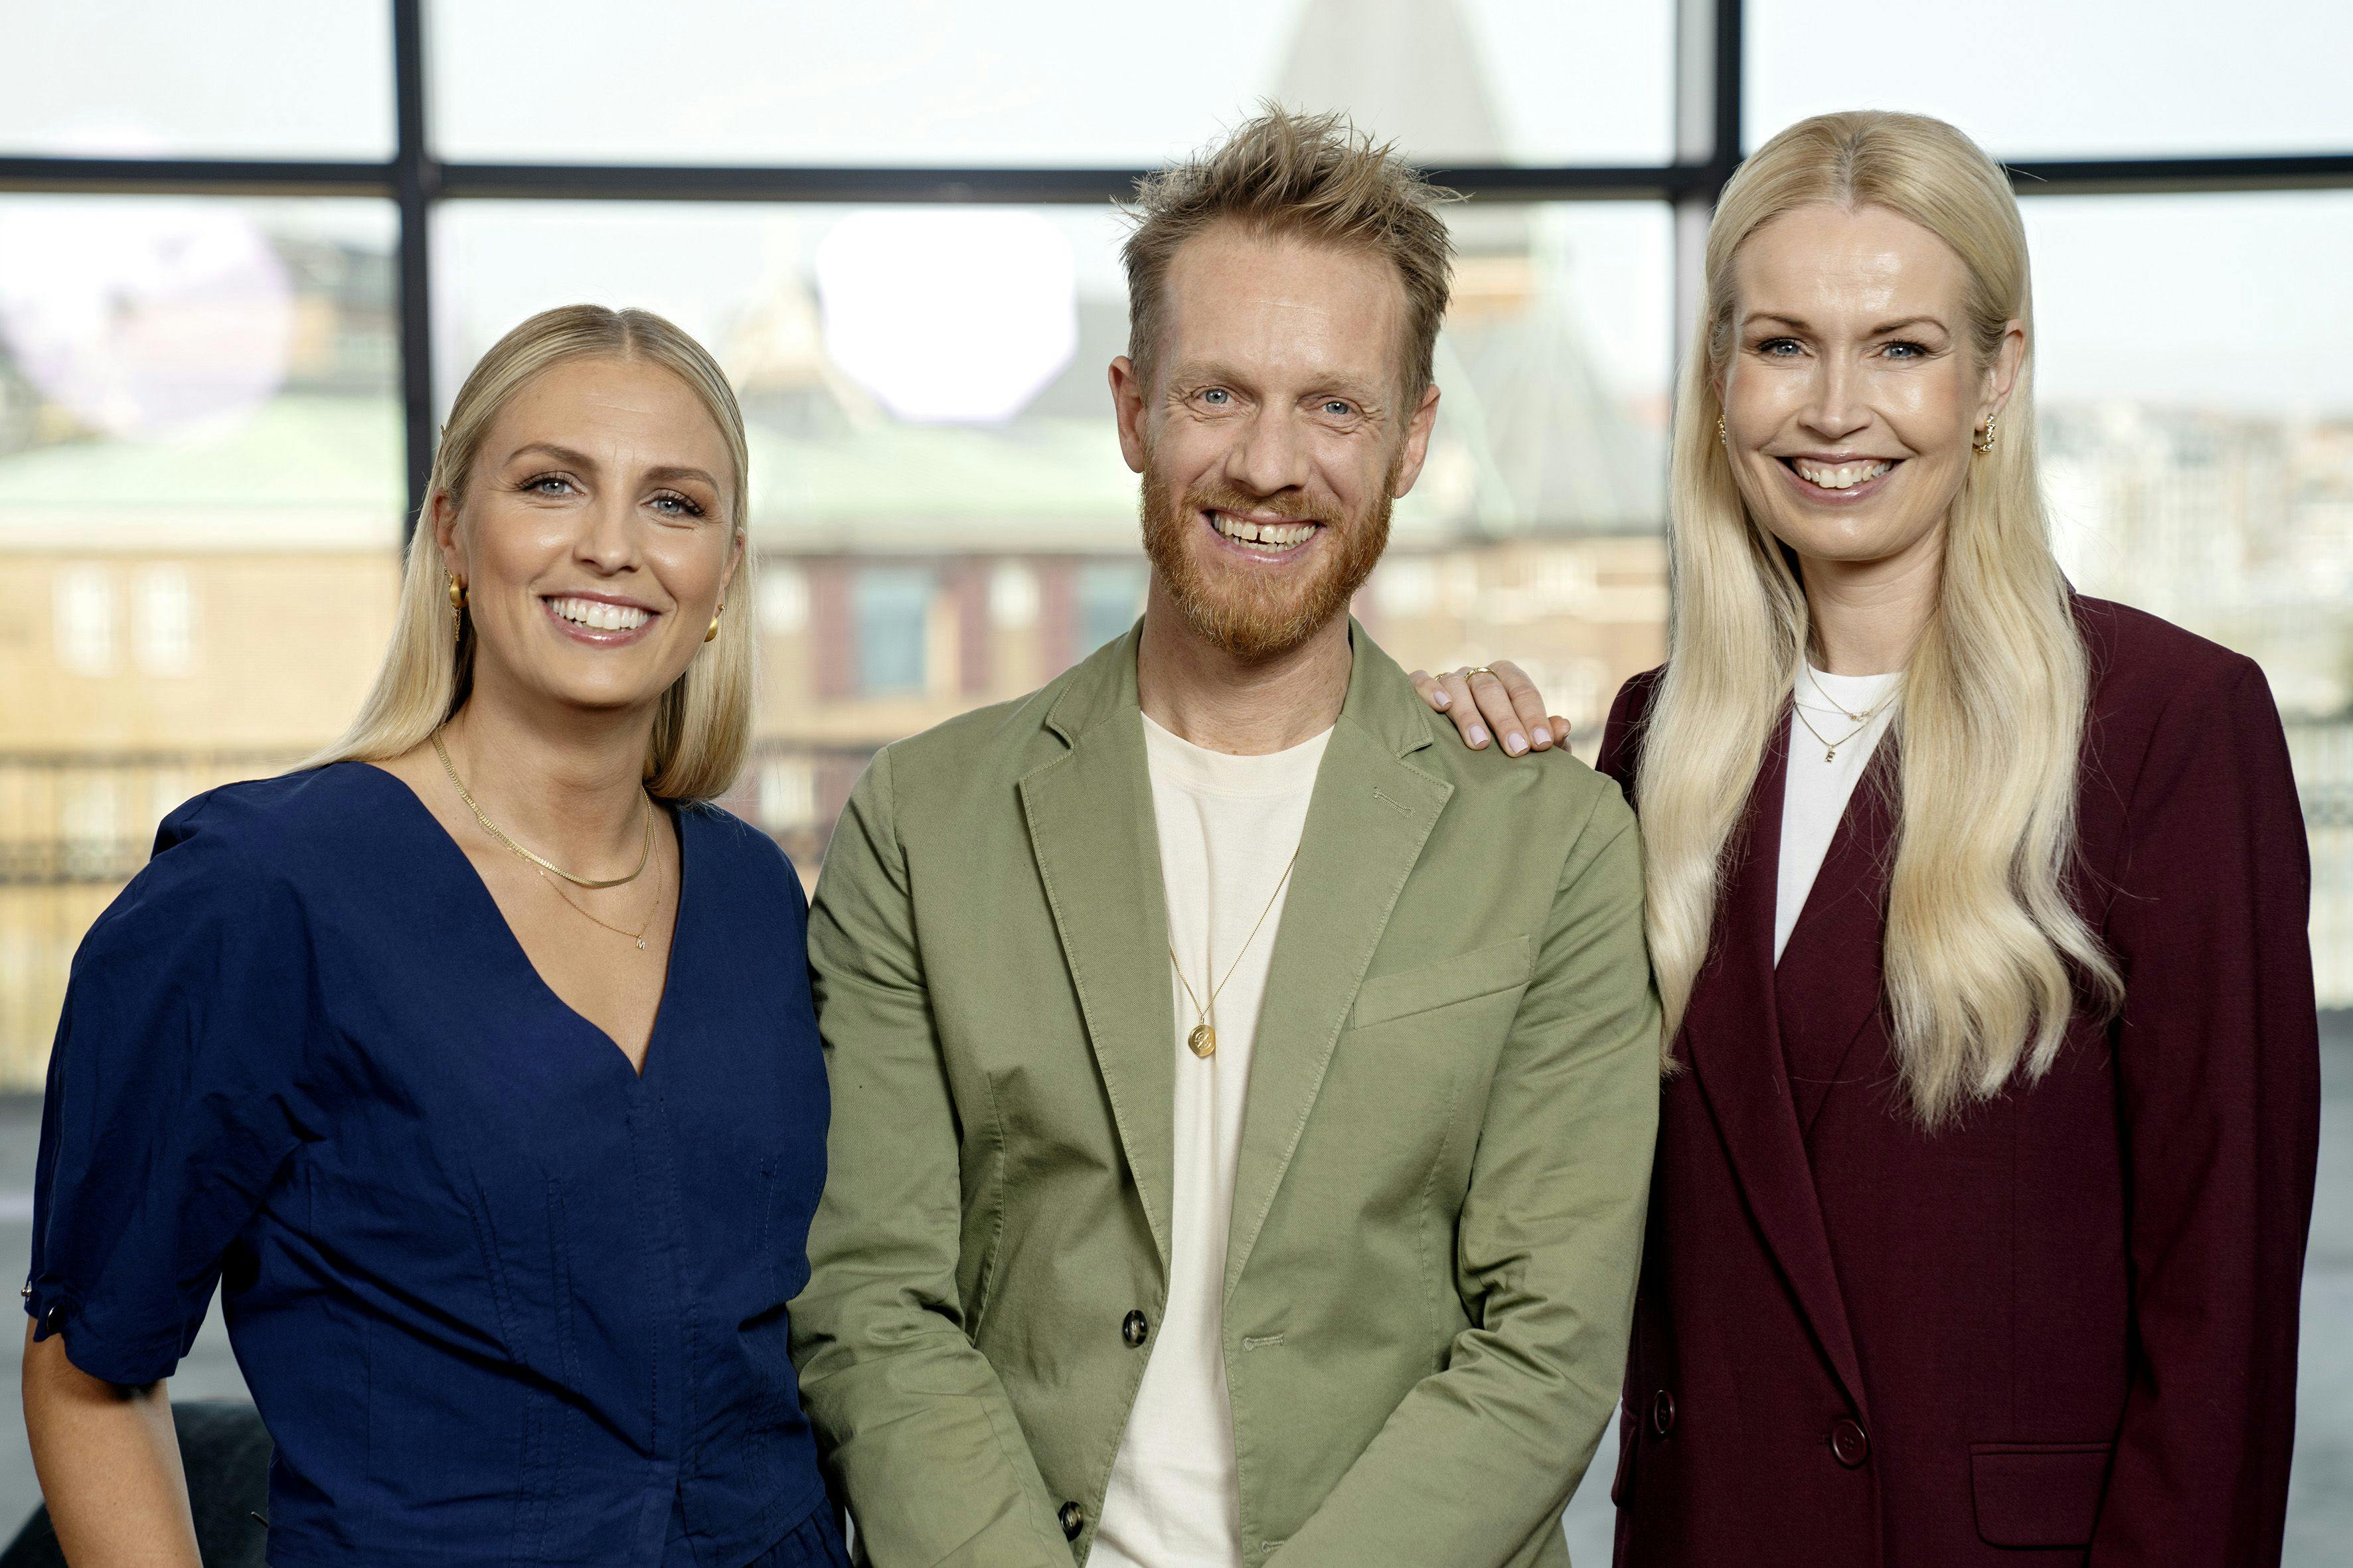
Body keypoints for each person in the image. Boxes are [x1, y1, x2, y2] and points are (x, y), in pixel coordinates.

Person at [1430, 109, 2320, 1566]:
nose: (1832, 408)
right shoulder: (1656, 735)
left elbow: (2217, 1312)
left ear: (1995, 374)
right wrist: (1445, 784)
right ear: (1718, 377)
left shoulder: (2166, 723)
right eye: (1780, 343)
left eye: (1899, 346)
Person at [787, 109, 1662, 1568]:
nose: (1270, 463)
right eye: (1217, 394)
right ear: (1134, 410)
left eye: (1333, 406)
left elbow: (1547, 1345)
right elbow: (873, 1302)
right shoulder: (920, 822)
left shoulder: (1551, 840)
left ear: (1412, 439)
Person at [22, 305, 849, 1568]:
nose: (613, 546)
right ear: (456, 533)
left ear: (725, 575)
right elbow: (88, 1380)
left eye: (675, 504)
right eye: (553, 484)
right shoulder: (260, 893)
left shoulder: (750, 895)